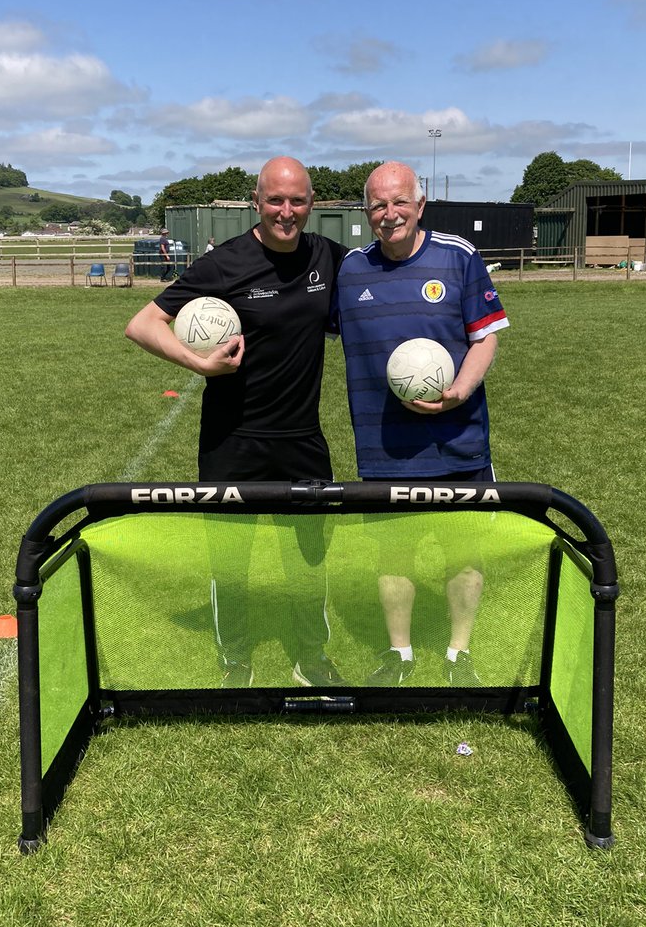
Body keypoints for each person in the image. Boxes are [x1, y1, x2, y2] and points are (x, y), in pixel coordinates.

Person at [125, 157, 347, 688]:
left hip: (302, 438)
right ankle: (236, 661)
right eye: (275, 200)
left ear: (311, 204)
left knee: (309, 560)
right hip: (233, 439)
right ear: (257, 200)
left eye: (297, 201)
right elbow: (142, 324)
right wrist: (200, 363)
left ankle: (311, 657)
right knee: (232, 562)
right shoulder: (226, 263)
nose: (286, 212)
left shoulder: (329, 257)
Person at [334, 161, 509, 687]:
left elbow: (487, 336)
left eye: (399, 203)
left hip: (458, 439)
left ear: (420, 204)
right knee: (394, 556)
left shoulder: (458, 256)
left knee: (463, 552)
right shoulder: (351, 271)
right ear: (367, 214)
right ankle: (400, 655)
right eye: (378, 206)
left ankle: (459, 656)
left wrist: (460, 391)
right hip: (385, 443)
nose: (390, 215)